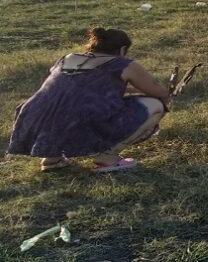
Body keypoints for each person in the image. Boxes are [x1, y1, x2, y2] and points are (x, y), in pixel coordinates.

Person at [7, 27, 169, 173]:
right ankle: (108, 156)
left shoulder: (68, 58)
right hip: (82, 118)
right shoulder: (123, 64)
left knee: (66, 109)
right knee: (155, 105)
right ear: (122, 49)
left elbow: (77, 88)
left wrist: (130, 89)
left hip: (34, 116)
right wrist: (166, 97)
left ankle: (52, 158)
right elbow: (158, 91)